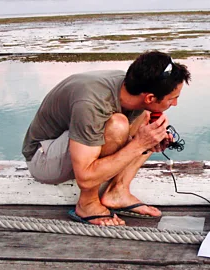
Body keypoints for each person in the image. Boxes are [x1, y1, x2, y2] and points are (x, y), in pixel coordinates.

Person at [22, 51, 191, 226]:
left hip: (75, 147)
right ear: (150, 97)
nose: (175, 104)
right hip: (42, 158)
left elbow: (140, 130)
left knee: (149, 120)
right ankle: (87, 204)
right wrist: (140, 144)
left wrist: (151, 141)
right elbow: (85, 177)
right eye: (173, 98)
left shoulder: (129, 86)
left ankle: (118, 191)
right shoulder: (93, 103)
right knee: (117, 125)